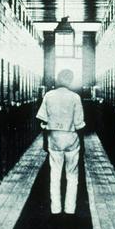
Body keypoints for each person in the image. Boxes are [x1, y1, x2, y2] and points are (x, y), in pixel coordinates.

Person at [36, 69, 85, 215]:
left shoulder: (49, 95)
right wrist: (80, 142)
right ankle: (70, 209)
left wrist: (47, 136)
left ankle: (55, 209)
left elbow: (42, 120)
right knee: (72, 175)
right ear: (70, 81)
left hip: (54, 139)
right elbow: (79, 123)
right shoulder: (75, 97)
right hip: (71, 139)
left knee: (55, 173)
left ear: (58, 79)